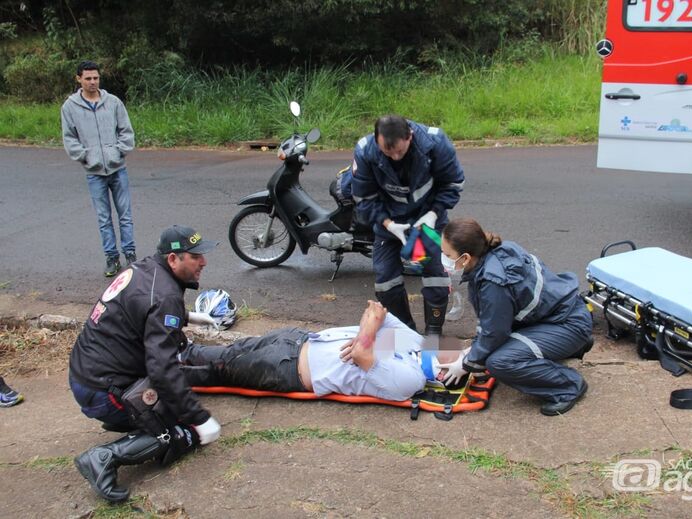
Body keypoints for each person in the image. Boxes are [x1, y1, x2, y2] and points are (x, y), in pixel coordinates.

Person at [69, 225, 222, 503]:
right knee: (183, 433)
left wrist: (186, 316)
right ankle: (104, 458)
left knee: (176, 401)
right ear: (173, 259)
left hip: (86, 371)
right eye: (195, 256)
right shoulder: (164, 295)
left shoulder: (145, 269)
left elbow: (139, 307)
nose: (204, 262)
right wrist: (198, 418)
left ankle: (134, 418)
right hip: (102, 389)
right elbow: (162, 369)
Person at [438, 218, 592, 416]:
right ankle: (573, 344)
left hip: (567, 324)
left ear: (466, 257)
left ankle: (568, 386)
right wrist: (472, 350)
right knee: (489, 352)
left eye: (447, 254)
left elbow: (495, 332)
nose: (444, 258)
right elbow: (493, 320)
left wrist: (467, 363)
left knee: (499, 363)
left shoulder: (494, 281)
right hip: (560, 315)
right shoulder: (500, 250)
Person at [180, 300, 448, 401]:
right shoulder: (415, 344)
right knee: (228, 351)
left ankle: (158, 372)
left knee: (219, 368)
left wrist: (365, 338)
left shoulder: (410, 379)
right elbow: (375, 309)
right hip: (297, 339)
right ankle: (176, 352)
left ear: (445, 377)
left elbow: (361, 356)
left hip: (287, 368)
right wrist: (366, 335)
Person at [351, 115, 465, 335]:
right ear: (377, 141)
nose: (394, 157)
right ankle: (405, 332)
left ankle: (433, 334)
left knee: (435, 275)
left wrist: (433, 214)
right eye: (388, 152)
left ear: (409, 137)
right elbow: (364, 199)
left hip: (427, 223)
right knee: (385, 281)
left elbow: (453, 184)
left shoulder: (436, 144)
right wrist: (388, 223)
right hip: (389, 224)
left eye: (400, 152)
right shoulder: (366, 151)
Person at [61, 60, 137, 277]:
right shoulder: (70, 107)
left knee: (125, 214)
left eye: (96, 78)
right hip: (94, 172)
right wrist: (86, 157)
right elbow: (69, 138)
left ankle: (130, 254)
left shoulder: (113, 102)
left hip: (117, 168)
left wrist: (119, 152)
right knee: (104, 217)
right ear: (79, 79)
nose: (93, 82)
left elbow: (126, 130)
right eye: (88, 78)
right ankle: (111, 258)